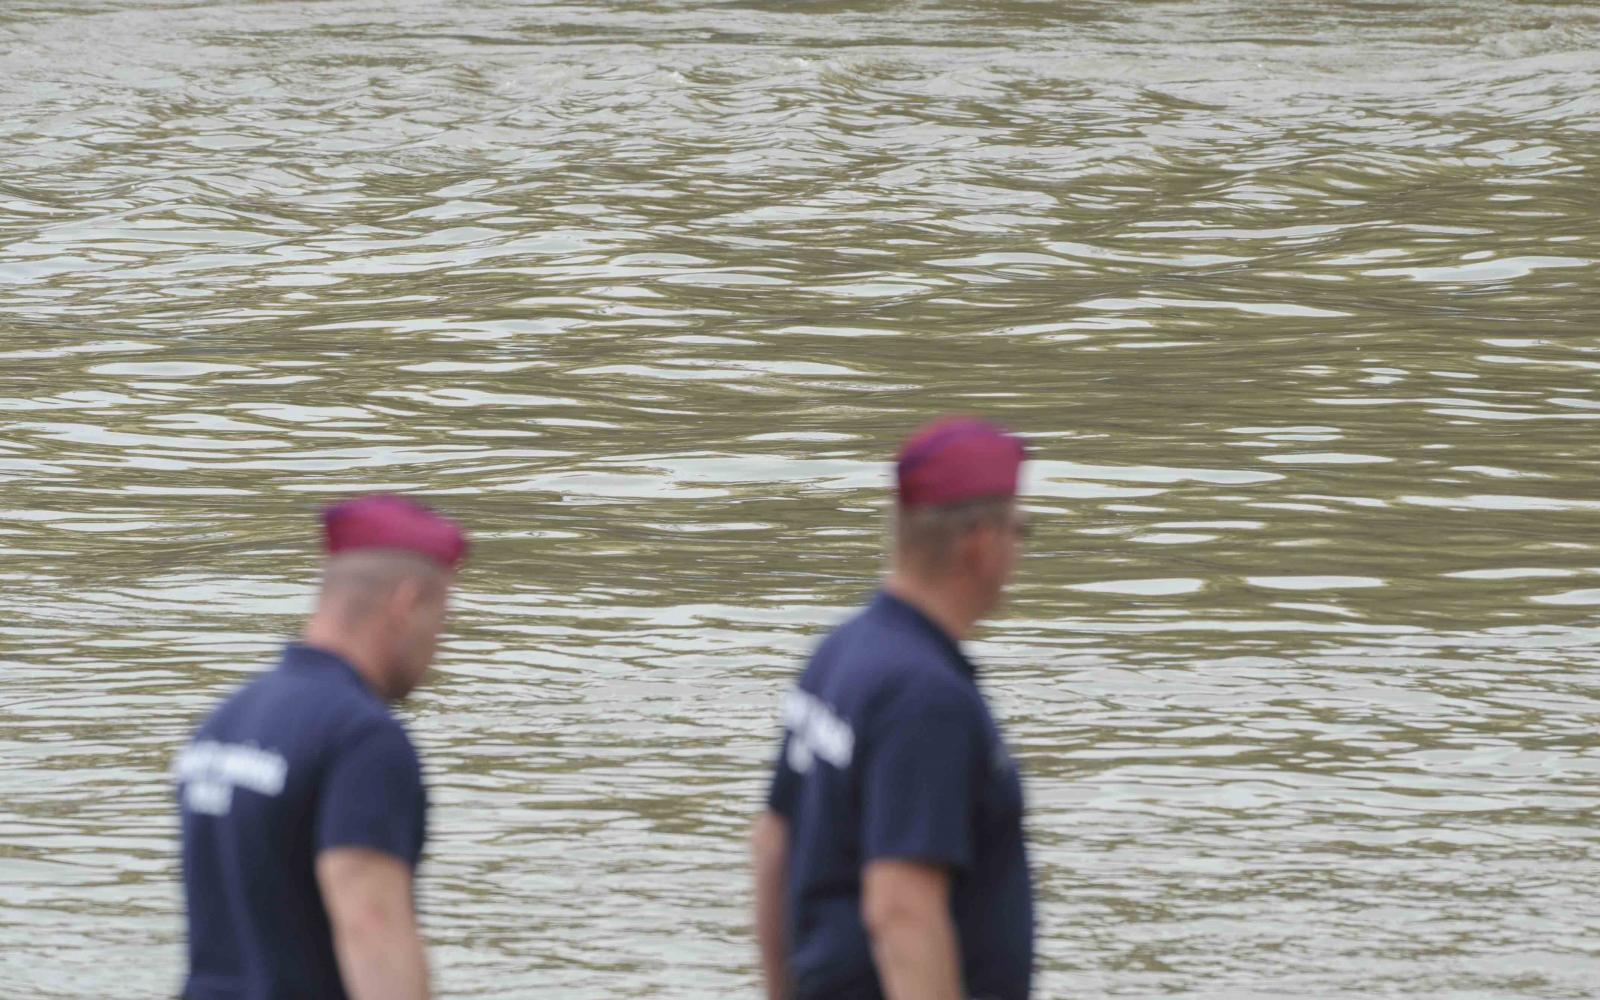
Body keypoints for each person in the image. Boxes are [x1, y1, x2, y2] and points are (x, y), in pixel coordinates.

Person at [752, 417, 1035, 1000]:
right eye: (1020, 530)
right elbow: (902, 910)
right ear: (980, 542)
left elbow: (772, 846)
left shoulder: (839, 653)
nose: (1020, 550)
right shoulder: (926, 697)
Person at [174, 495, 467, 1000]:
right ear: (408, 602)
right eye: (441, 619)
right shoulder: (363, 738)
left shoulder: (225, 721)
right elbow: (372, 926)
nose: (438, 648)